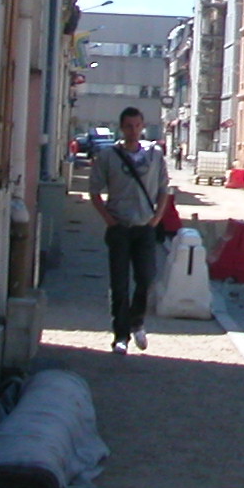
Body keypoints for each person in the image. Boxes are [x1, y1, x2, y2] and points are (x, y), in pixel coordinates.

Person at [88, 106, 172, 355]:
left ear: (143, 126)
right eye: (128, 126)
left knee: (146, 278)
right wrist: (109, 220)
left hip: (145, 227)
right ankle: (120, 335)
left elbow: (164, 188)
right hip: (120, 228)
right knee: (119, 283)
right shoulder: (109, 156)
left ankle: (137, 320)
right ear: (121, 128)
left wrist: (156, 218)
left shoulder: (154, 155)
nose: (133, 131)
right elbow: (94, 190)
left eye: (137, 126)